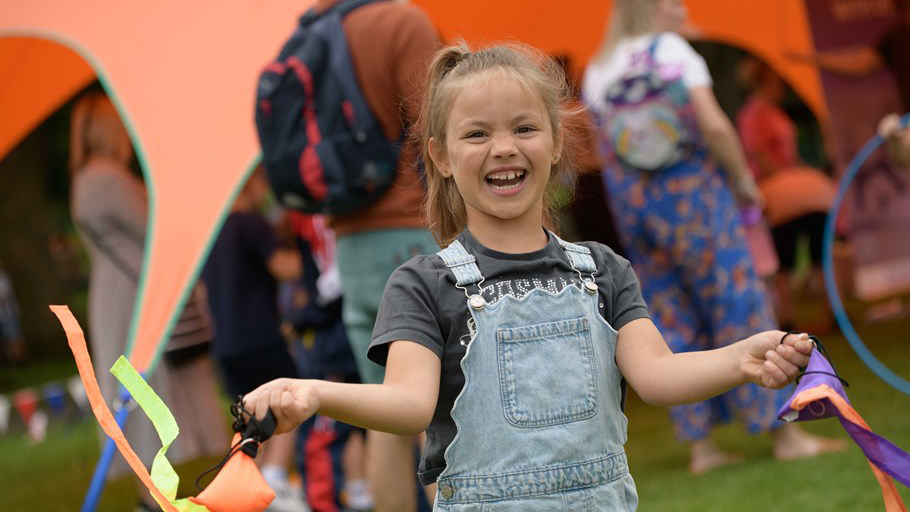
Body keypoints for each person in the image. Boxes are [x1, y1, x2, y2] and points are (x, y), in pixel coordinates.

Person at [241, 42, 820, 509]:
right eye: (477, 134)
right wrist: (314, 392)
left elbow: (658, 375)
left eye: (523, 128)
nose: (503, 148)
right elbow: (409, 405)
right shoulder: (422, 285)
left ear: (555, 140)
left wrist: (741, 358)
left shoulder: (605, 271)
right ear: (441, 156)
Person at [582, 0, 844, 474]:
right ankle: (784, 433)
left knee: (668, 316)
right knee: (738, 303)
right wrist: (743, 180)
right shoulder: (673, 51)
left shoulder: (600, 67)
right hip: (695, 199)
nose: (682, 9)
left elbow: (603, 147)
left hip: (638, 209)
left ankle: (702, 449)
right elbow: (715, 125)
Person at [69, 91, 229, 511]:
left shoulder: (89, 179)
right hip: (134, 300)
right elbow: (162, 225)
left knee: (143, 403)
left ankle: (155, 497)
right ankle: (153, 500)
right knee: (146, 399)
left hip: (121, 295)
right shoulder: (105, 178)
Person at [316, 1, 442, 510]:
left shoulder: (313, 34)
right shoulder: (399, 23)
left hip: (352, 246)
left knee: (386, 414)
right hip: (411, 232)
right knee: (440, 407)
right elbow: (439, 124)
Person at [201, 168, 308, 512]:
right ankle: (275, 474)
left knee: (252, 419)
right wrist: (310, 256)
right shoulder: (251, 223)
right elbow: (285, 267)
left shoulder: (211, 232)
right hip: (259, 337)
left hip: (225, 345)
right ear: (253, 183)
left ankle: (252, 488)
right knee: (292, 397)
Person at [736, 56, 838, 333]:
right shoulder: (754, 114)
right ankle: (789, 317)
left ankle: (826, 314)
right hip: (780, 194)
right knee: (787, 258)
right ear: (766, 82)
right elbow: (759, 153)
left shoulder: (772, 112)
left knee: (813, 254)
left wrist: (800, 173)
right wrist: (789, 177)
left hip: (794, 190)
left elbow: (784, 154)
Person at [279, 212, 373, 512]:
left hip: (335, 335)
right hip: (342, 330)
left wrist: (305, 317)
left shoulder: (318, 208)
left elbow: (332, 282)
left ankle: (328, 503)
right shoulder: (306, 212)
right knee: (341, 424)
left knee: (327, 427)